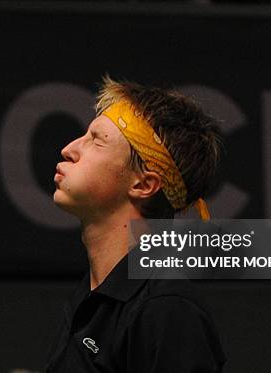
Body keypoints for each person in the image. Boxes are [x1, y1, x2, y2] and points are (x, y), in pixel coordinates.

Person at [45, 76, 226, 372]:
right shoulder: (93, 297)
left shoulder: (166, 309)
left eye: (97, 140)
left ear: (143, 185)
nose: (69, 148)